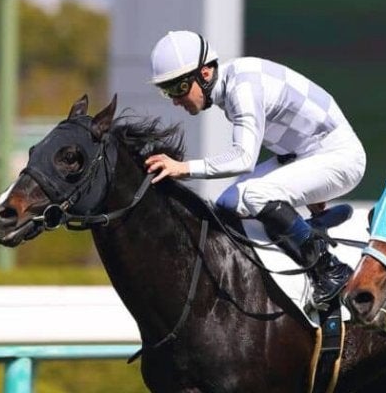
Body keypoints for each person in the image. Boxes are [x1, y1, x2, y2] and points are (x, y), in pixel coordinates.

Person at [144, 30, 366, 306]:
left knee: (256, 195)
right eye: (167, 92)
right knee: (227, 203)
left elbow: (243, 158)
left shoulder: (243, 87)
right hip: (308, 154)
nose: (176, 100)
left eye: (179, 88)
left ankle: (330, 268)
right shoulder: (234, 82)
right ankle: (307, 232)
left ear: (205, 74)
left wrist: (183, 168)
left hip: (340, 156)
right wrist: (308, 185)